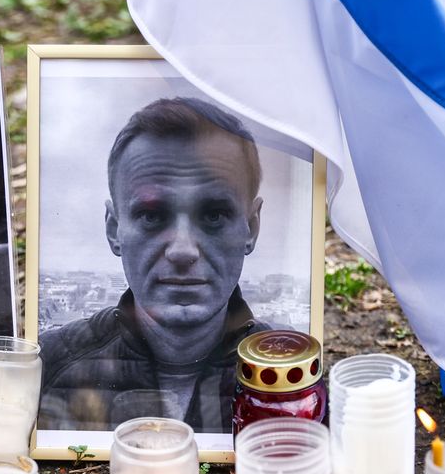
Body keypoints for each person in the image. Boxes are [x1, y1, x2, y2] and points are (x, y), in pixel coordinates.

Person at [39, 97, 271, 434]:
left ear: (251, 227)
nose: (182, 250)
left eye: (213, 215)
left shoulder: (298, 380)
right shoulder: (48, 367)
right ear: (113, 230)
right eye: (152, 215)